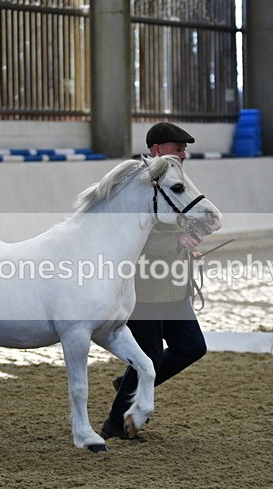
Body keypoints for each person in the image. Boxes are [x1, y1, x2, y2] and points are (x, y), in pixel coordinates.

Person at [100, 122, 208, 442]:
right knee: (148, 354)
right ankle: (116, 424)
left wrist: (187, 239)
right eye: (178, 149)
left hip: (173, 287)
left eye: (184, 149)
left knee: (191, 347)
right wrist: (176, 243)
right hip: (143, 289)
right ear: (157, 151)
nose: (184, 155)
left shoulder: (171, 180)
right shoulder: (134, 185)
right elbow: (132, 238)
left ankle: (128, 383)